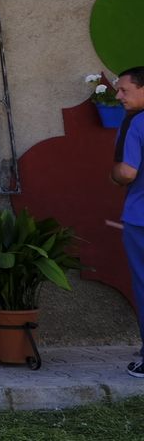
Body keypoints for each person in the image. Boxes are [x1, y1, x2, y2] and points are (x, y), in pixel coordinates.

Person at [109, 66, 144, 379]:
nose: (118, 95)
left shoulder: (135, 123)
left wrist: (114, 174)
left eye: (124, 90)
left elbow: (127, 172)